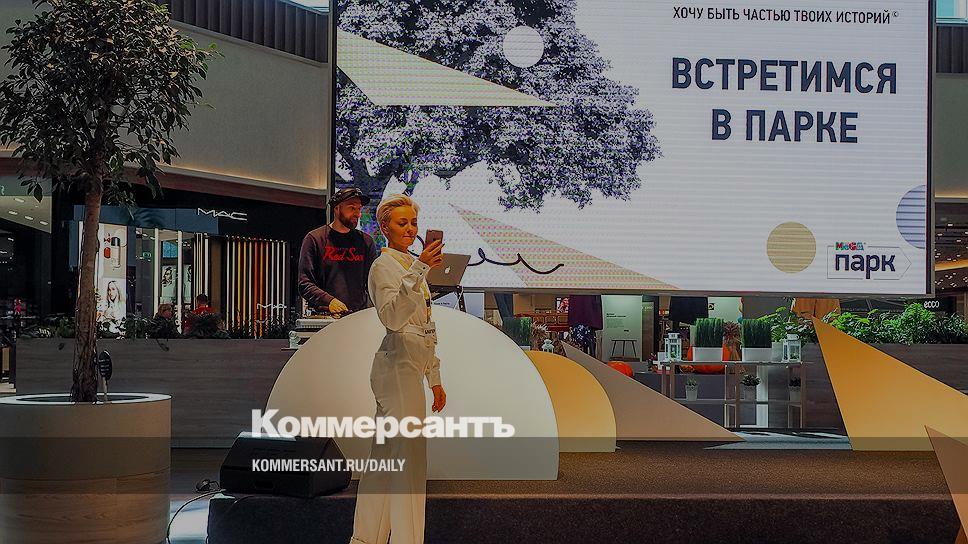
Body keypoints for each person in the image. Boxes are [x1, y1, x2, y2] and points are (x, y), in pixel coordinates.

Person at [350, 194, 446, 544]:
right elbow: (392, 318)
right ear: (384, 227)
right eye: (402, 223)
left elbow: (425, 326)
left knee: (385, 460)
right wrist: (419, 269)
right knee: (408, 462)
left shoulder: (411, 266)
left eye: (413, 223)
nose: (410, 229)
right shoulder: (383, 266)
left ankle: (366, 539)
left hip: (407, 368)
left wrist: (434, 378)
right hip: (396, 370)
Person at [299, 187, 379, 316]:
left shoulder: (366, 242)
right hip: (324, 317)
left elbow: (373, 283)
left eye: (359, 209)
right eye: (352, 208)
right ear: (336, 208)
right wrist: (329, 301)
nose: (357, 214)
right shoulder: (315, 239)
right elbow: (305, 283)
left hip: (358, 317)